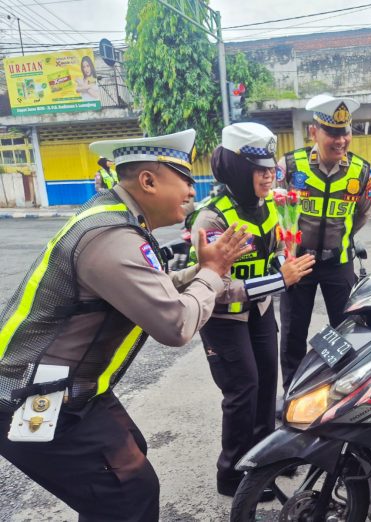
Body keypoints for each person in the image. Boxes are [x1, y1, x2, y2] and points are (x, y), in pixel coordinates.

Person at [0, 129, 253, 522]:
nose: (192, 190)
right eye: (184, 179)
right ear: (148, 181)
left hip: (70, 386)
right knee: (127, 492)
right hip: (31, 394)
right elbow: (176, 324)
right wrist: (212, 273)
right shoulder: (111, 236)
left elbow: (153, 288)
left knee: (127, 459)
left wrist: (205, 271)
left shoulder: (115, 220)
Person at [189, 122, 315, 496]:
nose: (268, 175)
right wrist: (281, 281)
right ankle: (231, 475)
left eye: (270, 168)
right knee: (242, 391)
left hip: (259, 312)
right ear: (237, 170)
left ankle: (262, 463)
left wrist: (285, 260)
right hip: (224, 318)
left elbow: (273, 252)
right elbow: (217, 286)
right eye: (258, 169)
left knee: (265, 389)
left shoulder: (270, 205)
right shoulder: (212, 219)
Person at [277, 94, 371, 394]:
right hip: (298, 263)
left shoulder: (361, 171)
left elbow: (362, 215)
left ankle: (343, 391)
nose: (340, 140)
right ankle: (292, 393)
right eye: (332, 132)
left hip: (339, 262)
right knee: (293, 334)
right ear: (314, 132)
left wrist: (339, 239)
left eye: (345, 132)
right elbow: (275, 212)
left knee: (347, 331)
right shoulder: (290, 166)